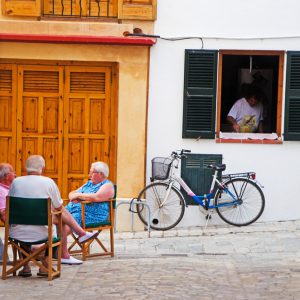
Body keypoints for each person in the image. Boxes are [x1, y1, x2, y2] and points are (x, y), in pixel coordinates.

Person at [8, 155, 98, 276]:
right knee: (60, 217)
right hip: (43, 233)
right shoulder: (48, 182)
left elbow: (13, 204)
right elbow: (58, 207)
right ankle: (47, 264)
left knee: (26, 223)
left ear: (26, 168)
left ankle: (25, 267)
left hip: (16, 233)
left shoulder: (15, 182)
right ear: (43, 168)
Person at [66, 161, 114, 228]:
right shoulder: (89, 183)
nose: (89, 175)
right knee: (58, 214)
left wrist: (78, 196)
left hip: (92, 216)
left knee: (69, 220)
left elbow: (95, 197)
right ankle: (52, 236)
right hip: (75, 210)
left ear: (101, 174)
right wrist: (73, 197)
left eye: (92, 172)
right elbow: (72, 193)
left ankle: (62, 237)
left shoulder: (107, 185)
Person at [0, 163, 16, 263]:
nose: (15, 174)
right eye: (13, 172)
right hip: (19, 224)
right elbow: (5, 216)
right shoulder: (2, 192)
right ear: (6, 176)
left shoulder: (10, 189)